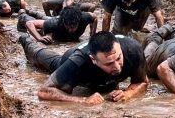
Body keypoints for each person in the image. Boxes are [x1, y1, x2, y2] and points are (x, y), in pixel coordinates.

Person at [19, 31, 148, 104]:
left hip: (101, 79)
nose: (117, 67)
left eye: (119, 58)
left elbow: (142, 82)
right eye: (109, 63)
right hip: (67, 61)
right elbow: (44, 91)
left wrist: (128, 93)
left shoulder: (133, 50)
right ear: (94, 60)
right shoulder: (77, 62)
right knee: (39, 56)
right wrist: (83, 100)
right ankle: (25, 39)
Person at [17, 7, 97, 43]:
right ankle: (23, 13)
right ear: (64, 22)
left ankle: (33, 12)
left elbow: (95, 17)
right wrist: (39, 38)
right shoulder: (55, 23)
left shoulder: (85, 18)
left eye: (73, 26)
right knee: (28, 19)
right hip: (52, 24)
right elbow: (29, 23)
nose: (71, 29)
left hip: (53, 20)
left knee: (46, 18)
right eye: (68, 27)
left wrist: (92, 34)